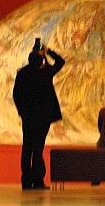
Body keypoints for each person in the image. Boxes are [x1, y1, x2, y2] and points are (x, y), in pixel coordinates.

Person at [12, 38, 66, 190]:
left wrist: (21, 111)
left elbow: (16, 94)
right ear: (41, 60)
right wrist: (47, 51)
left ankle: (25, 181)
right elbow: (61, 62)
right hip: (43, 117)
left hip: (28, 116)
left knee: (26, 148)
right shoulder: (45, 73)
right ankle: (38, 181)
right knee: (38, 149)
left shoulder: (22, 73)